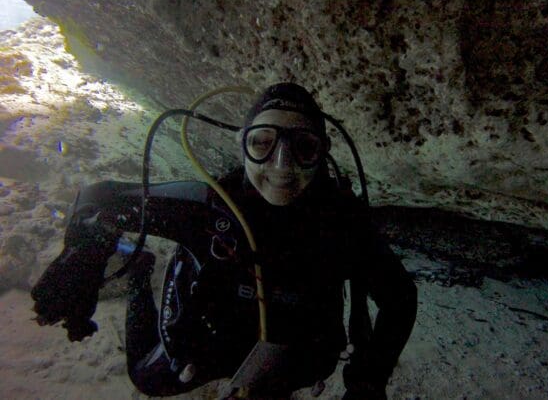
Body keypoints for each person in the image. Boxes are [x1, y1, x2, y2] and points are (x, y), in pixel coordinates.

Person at [32, 82, 417, 399]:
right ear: (242, 145)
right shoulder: (208, 207)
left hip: (292, 360)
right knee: (146, 380)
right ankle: (140, 273)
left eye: (303, 147)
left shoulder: (343, 222)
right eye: (263, 143)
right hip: (207, 345)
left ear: (322, 154)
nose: (282, 166)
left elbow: (399, 298)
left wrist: (369, 378)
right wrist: (85, 254)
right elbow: (98, 200)